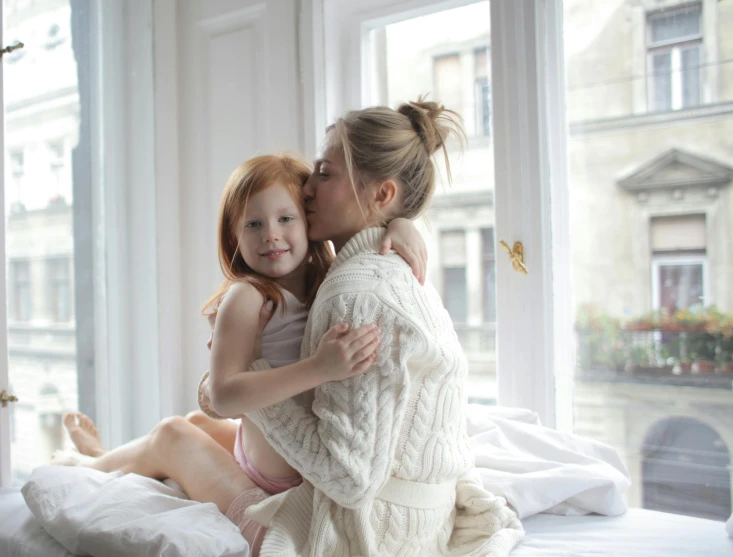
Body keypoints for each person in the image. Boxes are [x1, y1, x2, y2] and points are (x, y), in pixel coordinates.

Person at [54, 152, 431, 553]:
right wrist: (318, 368)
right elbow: (225, 395)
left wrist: (401, 224)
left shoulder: (333, 279)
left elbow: (368, 231)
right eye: (253, 224)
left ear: (310, 223)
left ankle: (107, 456)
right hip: (275, 470)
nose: (270, 234)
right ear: (234, 236)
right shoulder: (247, 297)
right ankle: (92, 464)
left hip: (292, 464)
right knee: (174, 431)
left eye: (285, 219)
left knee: (194, 423)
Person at [197, 98, 524, 556]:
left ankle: (103, 457)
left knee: (174, 438)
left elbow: (348, 479)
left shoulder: (355, 290)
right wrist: (403, 223)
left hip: (378, 529)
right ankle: (107, 457)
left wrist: (247, 367)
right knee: (193, 424)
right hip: (420, 516)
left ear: (382, 195)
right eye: (314, 172)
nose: (308, 188)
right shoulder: (382, 268)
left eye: (325, 174)